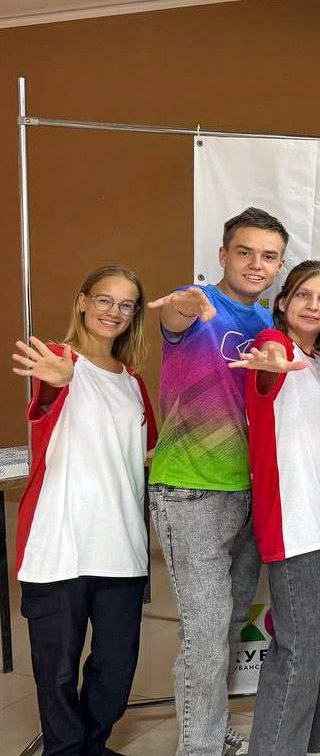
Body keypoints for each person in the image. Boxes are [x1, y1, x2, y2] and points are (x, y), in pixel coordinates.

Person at [146, 207, 288, 756]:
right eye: (245, 252)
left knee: (226, 625)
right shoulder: (198, 300)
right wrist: (186, 307)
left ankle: (207, 728)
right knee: (205, 634)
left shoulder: (266, 322)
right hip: (190, 492)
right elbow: (176, 316)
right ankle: (199, 747)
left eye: (269, 256)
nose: (256, 264)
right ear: (223, 255)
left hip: (247, 493)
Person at [13, 265, 157, 756]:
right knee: (56, 671)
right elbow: (44, 403)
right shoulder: (59, 361)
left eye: (126, 305)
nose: (113, 312)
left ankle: (91, 745)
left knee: (115, 667)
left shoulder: (133, 382)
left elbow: (149, 452)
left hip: (121, 546)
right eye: (104, 300)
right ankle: (65, 750)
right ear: (82, 301)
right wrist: (57, 382)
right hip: (59, 545)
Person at [233, 261, 320, 756]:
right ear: (282, 302)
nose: (313, 306)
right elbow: (267, 374)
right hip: (293, 523)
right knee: (299, 647)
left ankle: (316, 742)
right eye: (304, 295)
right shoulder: (274, 346)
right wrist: (269, 363)